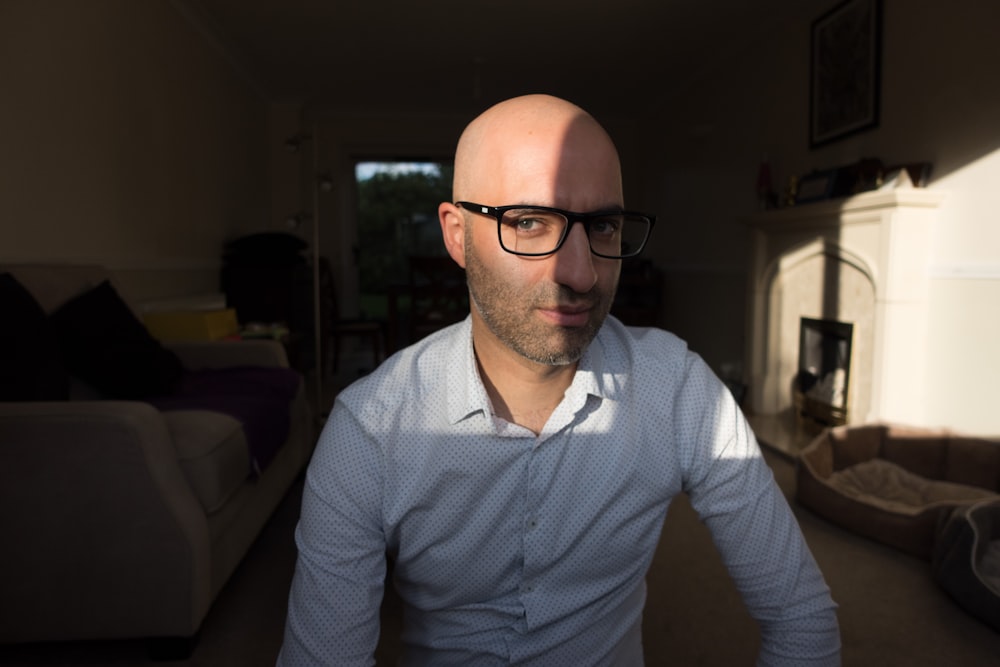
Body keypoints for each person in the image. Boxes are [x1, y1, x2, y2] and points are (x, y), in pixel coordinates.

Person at [277, 94, 840, 665]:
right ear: (456, 235)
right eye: (527, 222)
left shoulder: (678, 391)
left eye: (603, 226)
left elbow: (799, 616)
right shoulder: (369, 429)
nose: (579, 272)